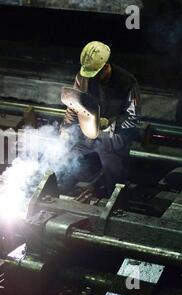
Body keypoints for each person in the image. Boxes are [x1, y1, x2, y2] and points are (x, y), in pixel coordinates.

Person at [60, 41, 141, 196]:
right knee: (66, 162)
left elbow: (133, 117)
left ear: (106, 66)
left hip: (113, 139)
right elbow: (73, 105)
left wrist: (110, 123)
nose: (92, 78)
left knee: (114, 179)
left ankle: (113, 205)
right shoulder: (83, 77)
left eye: (96, 73)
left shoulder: (126, 82)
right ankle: (64, 194)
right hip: (88, 134)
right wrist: (66, 129)